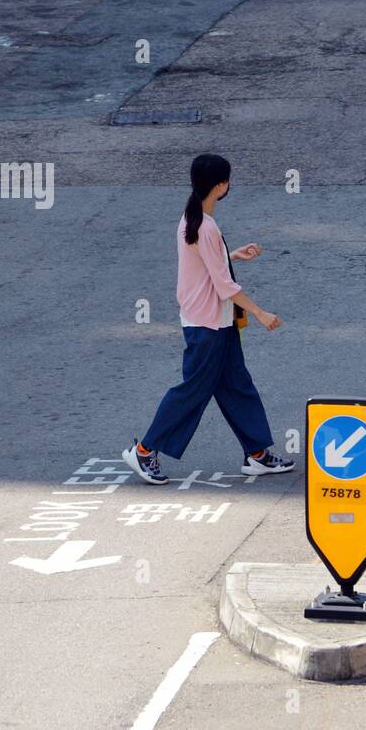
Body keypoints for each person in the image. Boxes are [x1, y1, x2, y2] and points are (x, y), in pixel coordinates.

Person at [123, 153, 294, 485]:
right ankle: (144, 451)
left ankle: (257, 453)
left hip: (215, 320)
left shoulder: (192, 219)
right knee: (192, 391)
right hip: (208, 325)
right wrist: (260, 312)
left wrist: (230, 256)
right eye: (228, 179)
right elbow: (224, 285)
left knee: (236, 385)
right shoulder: (206, 226)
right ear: (220, 185)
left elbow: (205, 268)